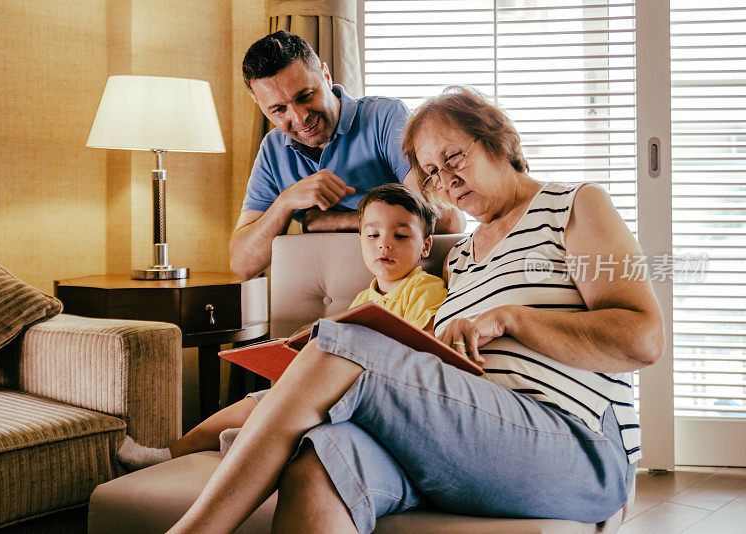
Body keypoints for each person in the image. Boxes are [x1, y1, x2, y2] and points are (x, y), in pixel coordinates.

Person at [168, 86, 664, 534]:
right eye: (431, 172)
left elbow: (643, 340)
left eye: (454, 159)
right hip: (464, 441)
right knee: (320, 460)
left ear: (496, 141)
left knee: (343, 345)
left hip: (575, 445)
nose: (444, 181)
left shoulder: (573, 206)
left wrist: (514, 318)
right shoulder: (464, 257)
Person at [117, 183, 447, 470]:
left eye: (400, 235)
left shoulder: (424, 288)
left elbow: (426, 351)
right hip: (329, 389)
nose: (383, 244)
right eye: (372, 234)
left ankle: (255, 438)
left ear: (426, 245)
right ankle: (166, 454)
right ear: (360, 239)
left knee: (283, 407)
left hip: (370, 397)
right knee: (254, 400)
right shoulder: (365, 297)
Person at [229, 30, 463, 281]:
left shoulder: (383, 116)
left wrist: (323, 221)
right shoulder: (272, 149)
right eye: (278, 110)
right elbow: (242, 265)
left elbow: (446, 218)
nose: (299, 118)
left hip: (405, 295)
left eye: (306, 96)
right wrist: (286, 202)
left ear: (326, 76)